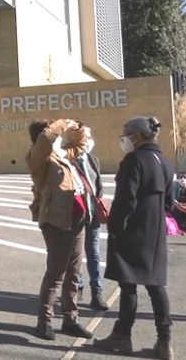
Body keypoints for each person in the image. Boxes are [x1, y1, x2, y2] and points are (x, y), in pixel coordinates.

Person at [93, 116, 175, 360]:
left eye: (126, 133)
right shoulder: (164, 161)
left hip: (132, 230)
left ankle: (122, 336)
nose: (123, 138)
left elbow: (126, 199)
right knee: (156, 286)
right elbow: (169, 202)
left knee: (128, 285)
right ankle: (164, 341)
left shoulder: (134, 159)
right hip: (155, 231)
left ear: (137, 136)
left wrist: (116, 227)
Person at [26, 119, 93, 341]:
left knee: (74, 272)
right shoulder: (40, 158)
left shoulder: (62, 154)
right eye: (55, 133)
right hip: (57, 221)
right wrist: (62, 122)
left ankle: (70, 319)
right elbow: (46, 139)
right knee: (56, 273)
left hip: (77, 219)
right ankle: (44, 321)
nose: (59, 137)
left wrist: (78, 127)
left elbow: (80, 145)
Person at [68, 125, 110, 311]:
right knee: (75, 254)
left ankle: (97, 292)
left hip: (93, 215)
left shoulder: (93, 160)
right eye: (87, 137)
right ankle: (77, 288)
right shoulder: (67, 161)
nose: (90, 141)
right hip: (75, 214)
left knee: (93, 252)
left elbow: (98, 185)